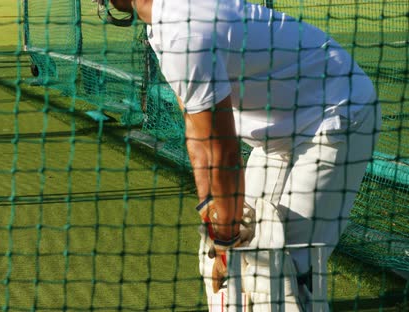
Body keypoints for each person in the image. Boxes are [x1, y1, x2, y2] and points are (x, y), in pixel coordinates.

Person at [99, 0, 381, 311]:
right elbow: (197, 130)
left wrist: (224, 237)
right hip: (279, 130)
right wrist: (211, 211)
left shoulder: (181, 30)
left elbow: (225, 152)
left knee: (286, 266)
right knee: (245, 246)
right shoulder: (162, 23)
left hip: (336, 110)